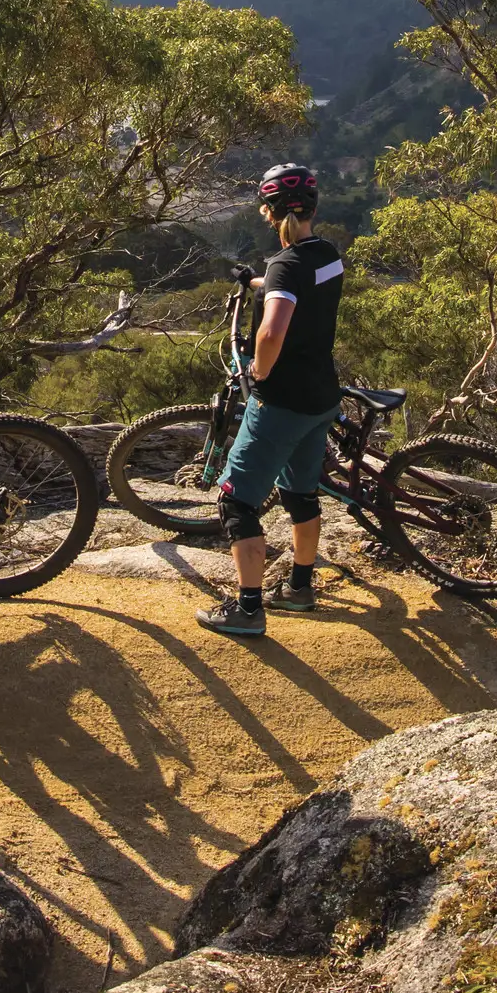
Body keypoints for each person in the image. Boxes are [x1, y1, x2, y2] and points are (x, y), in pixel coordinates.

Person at [197, 163, 344, 640]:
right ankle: (300, 587)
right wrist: (257, 281)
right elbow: (296, 286)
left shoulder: (286, 264)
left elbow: (273, 328)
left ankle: (247, 609)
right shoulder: (326, 254)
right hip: (321, 396)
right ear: (313, 208)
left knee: (236, 501)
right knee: (301, 493)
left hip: (282, 401)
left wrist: (260, 370)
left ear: (270, 211)